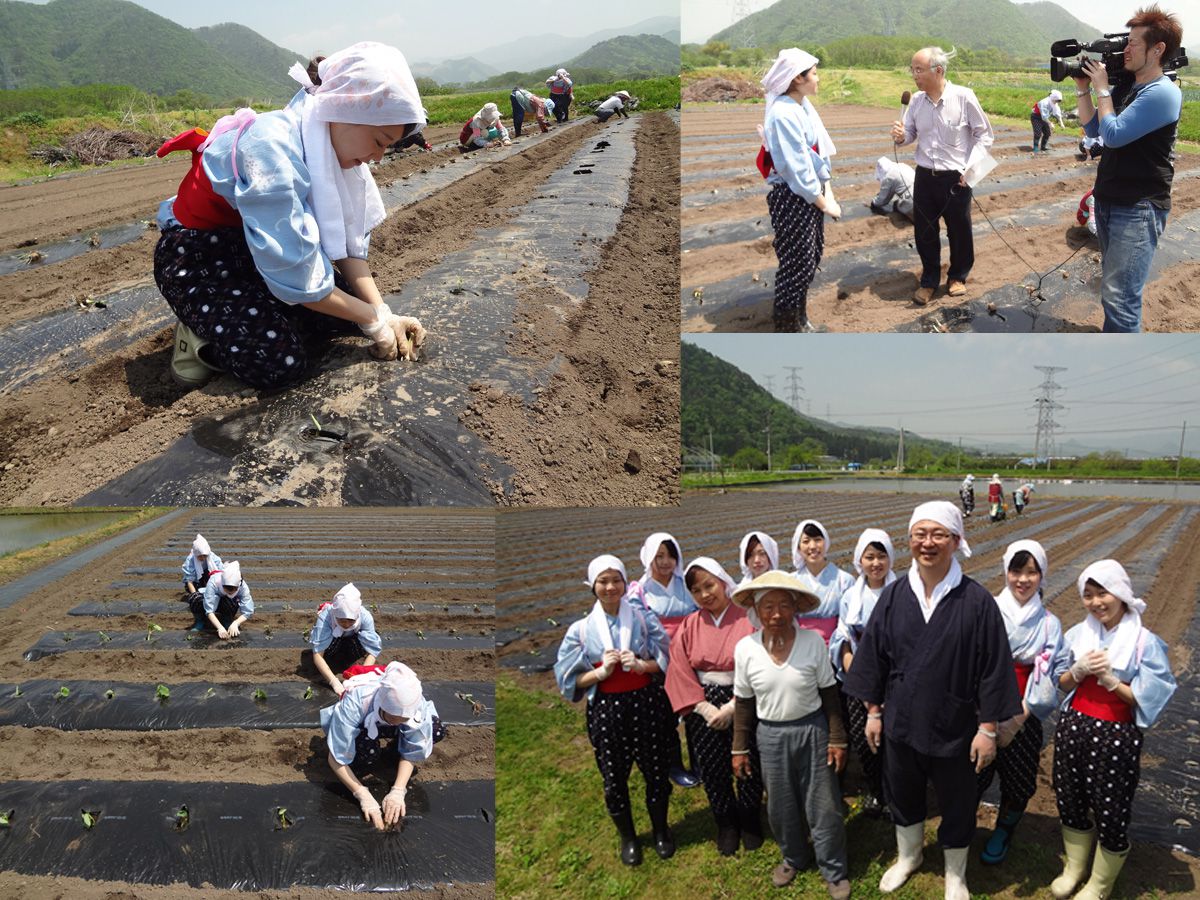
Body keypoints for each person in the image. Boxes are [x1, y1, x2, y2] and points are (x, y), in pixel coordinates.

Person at [154, 43, 427, 390]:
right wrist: (370, 319)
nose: (377, 156)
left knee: (345, 318)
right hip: (198, 256)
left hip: (254, 249)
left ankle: (255, 310)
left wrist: (382, 313)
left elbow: (345, 246)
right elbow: (302, 281)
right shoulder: (270, 150)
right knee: (279, 362)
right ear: (344, 110)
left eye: (387, 147)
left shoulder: (332, 149)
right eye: (379, 140)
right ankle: (199, 334)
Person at [843, 500, 1021, 900]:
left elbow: (994, 668)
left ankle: (955, 875)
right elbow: (874, 656)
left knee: (958, 802)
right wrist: (873, 712)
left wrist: (988, 729)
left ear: (956, 541)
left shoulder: (976, 602)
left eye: (938, 534)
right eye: (920, 534)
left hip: (955, 726)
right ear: (909, 541)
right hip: (901, 722)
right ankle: (909, 857)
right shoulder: (892, 597)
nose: (928, 543)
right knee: (902, 792)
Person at [1050, 559, 1176, 899]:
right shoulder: (1078, 634)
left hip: (1115, 734)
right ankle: (1074, 867)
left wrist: (1110, 681)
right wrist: (1075, 672)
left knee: (1111, 806)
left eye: (1102, 593)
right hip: (1074, 726)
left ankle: (1100, 883)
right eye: (1088, 595)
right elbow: (1060, 684)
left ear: (1120, 593)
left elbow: (1148, 697)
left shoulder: (1143, 642)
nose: (1095, 603)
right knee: (1069, 796)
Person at [731, 570, 850, 898]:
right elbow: (743, 702)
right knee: (780, 804)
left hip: (813, 729)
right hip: (770, 734)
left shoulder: (812, 642)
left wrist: (837, 738)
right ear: (756, 610)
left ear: (796, 608)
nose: (777, 614)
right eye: (768, 607)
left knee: (823, 803)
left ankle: (834, 867)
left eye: (784, 605)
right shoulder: (745, 649)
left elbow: (829, 694)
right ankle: (793, 856)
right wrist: (739, 748)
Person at [554, 555, 675, 866]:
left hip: (645, 704)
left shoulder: (644, 620)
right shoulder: (580, 630)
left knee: (656, 771)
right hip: (607, 711)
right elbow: (568, 678)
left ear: (624, 583)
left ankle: (661, 831)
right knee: (614, 777)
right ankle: (629, 838)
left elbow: (667, 659)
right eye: (603, 581)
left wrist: (642, 665)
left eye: (616, 580)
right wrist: (600, 673)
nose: (610, 587)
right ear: (593, 586)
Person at [1074, 5, 1184, 332]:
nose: (1126, 49)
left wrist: (1102, 88)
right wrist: (1084, 87)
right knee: (1113, 292)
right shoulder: (1129, 87)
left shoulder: (1162, 92)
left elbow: (1114, 135)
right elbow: (1094, 129)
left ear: (1158, 49)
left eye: (1134, 43)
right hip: (1110, 200)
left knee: (1121, 301)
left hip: (1138, 208)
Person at [664, 558, 763, 856]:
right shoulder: (690, 625)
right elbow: (679, 668)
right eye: (697, 590)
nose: (706, 594)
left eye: (710, 585)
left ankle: (749, 819)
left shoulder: (748, 618)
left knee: (748, 761)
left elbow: (761, 662)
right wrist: (703, 707)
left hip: (743, 698)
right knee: (713, 766)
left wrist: (734, 706)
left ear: (723, 581)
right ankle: (726, 823)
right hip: (703, 705)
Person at [976, 540, 1065, 865]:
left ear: (1042, 575)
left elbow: (1047, 676)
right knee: (972, 772)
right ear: (1006, 571)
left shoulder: (1049, 624)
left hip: (1024, 716)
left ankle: (1003, 832)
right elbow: (974, 663)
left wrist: (1016, 719)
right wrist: (987, 718)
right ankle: (962, 825)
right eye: (1016, 571)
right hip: (982, 710)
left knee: (1019, 780)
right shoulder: (987, 610)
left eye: (1032, 572)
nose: (1023, 579)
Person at [891, 46, 994, 306]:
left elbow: (984, 136)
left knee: (959, 230)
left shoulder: (964, 97)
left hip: (956, 178)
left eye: (918, 69)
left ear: (938, 70)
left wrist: (970, 169)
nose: (914, 75)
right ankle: (929, 280)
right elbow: (912, 134)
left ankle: (958, 276)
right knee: (924, 231)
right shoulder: (915, 100)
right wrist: (903, 137)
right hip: (925, 175)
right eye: (912, 69)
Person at [759, 48, 841, 332]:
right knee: (797, 263)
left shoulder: (802, 106)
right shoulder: (783, 114)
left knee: (810, 256)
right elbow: (796, 169)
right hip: (793, 197)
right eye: (814, 73)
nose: (818, 79)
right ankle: (786, 326)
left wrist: (827, 191)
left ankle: (800, 318)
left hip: (807, 194)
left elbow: (818, 154)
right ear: (797, 79)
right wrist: (823, 202)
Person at [320, 660, 442, 830]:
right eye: (392, 717)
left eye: (404, 719)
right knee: (367, 754)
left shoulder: (415, 704)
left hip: (383, 719)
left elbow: (412, 750)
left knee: (435, 730)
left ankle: (394, 750)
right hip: (366, 721)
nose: (397, 722)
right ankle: (367, 754)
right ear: (383, 705)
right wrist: (362, 794)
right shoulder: (356, 703)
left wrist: (399, 790)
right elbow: (335, 758)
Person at [829, 528, 897, 818]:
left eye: (881, 556)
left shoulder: (902, 592)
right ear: (860, 560)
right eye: (869, 557)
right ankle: (874, 790)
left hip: (893, 678)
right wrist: (858, 676)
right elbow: (843, 638)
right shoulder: (850, 597)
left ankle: (894, 791)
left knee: (894, 738)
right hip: (859, 677)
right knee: (864, 736)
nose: (876, 563)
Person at [633, 532, 700, 788]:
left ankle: (699, 763)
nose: (665, 562)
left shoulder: (686, 585)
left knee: (694, 712)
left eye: (671, 555)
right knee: (666, 716)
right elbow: (641, 629)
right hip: (660, 659)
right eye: (659, 556)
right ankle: (674, 765)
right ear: (648, 557)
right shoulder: (639, 591)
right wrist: (661, 657)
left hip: (689, 655)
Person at [310, 583, 383, 695]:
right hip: (334, 642)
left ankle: (349, 658)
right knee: (330, 651)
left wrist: (362, 677)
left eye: (351, 620)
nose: (346, 624)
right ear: (335, 614)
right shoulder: (326, 617)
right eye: (342, 620)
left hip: (352, 641)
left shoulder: (365, 616)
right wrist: (334, 682)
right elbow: (317, 654)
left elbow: (372, 651)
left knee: (362, 643)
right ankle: (335, 660)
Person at [790, 519, 855, 643]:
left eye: (818, 540)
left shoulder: (844, 580)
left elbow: (849, 624)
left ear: (826, 543)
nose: (813, 546)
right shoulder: (792, 581)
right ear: (798, 547)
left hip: (835, 647)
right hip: (799, 647)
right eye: (806, 541)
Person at [194, 560, 254, 637]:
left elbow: (248, 611)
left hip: (227, 604)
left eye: (233, 591)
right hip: (214, 601)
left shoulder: (243, 586)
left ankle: (227, 620)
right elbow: (209, 610)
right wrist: (220, 628)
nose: (230, 593)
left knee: (230, 600)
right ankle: (200, 621)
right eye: (227, 590)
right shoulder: (214, 581)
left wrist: (236, 623)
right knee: (195, 598)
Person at [868, 156, 915, 221]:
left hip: (912, 201)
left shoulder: (889, 176)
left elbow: (882, 201)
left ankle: (907, 219)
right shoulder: (902, 165)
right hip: (924, 195)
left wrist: (873, 203)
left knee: (896, 205)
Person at [181, 533, 222, 604]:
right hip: (196, 579)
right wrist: (195, 595)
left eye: (204, 556)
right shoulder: (190, 560)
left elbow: (220, 572)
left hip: (207, 576)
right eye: (200, 556)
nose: (202, 558)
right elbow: (189, 581)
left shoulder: (213, 558)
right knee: (196, 594)